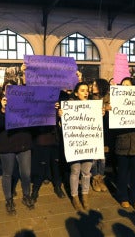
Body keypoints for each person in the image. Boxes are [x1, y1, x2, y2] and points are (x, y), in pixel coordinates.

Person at [0, 93, 34, 214]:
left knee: (26, 173)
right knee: (7, 174)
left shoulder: (25, 103)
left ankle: (26, 195)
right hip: (6, 144)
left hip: (23, 143)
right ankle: (9, 199)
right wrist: (2, 110)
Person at [113, 77, 135, 210]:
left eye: (128, 85)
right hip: (122, 144)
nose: (125, 87)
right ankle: (123, 197)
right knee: (122, 174)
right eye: (123, 85)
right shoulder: (115, 102)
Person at [58, 82, 94, 211]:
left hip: (89, 144)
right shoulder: (68, 106)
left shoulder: (93, 106)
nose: (86, 92)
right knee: (75, 171)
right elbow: (62, 127)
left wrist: (101, 114)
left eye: (87, 90)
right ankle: (75, 197)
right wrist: (60, 116)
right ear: (76, 93)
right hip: (75, 145)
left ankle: (85, 195)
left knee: (86, 172)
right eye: (83, 90)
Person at [31, 124, 66, 202]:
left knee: (56, 167)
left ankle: (57, 187)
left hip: (55, 141)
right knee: (40, 167)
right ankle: (35, 190)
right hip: (41, 140)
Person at [90, 78, 110, 192]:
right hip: (93, 132)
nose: (93, 87)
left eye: (95, 85)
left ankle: (100, 178)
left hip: (104, 133)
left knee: (102, 158)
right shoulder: (89, 99)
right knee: (94, 158)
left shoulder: (108, 100)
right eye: (92, 85)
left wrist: (106, 111)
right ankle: (94, 179)